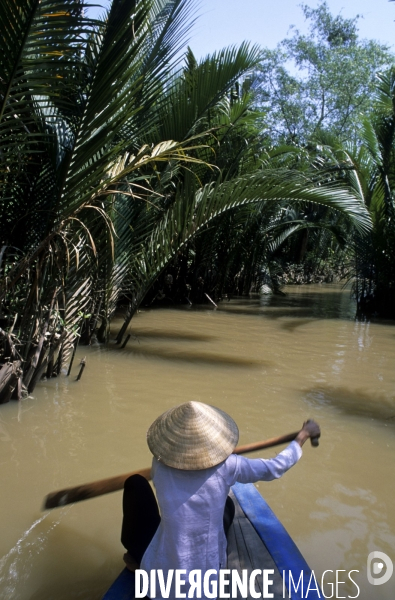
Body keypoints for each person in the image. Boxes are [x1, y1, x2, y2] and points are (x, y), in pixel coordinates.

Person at [121, 401, 320, 599]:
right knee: (228, 506)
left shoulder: (159, 464)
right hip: (202, 584)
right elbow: (274, 467)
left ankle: (133, 559)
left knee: (135, 483)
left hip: (159, 576)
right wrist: (302, 436)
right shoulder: (229, 465)